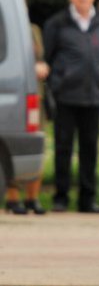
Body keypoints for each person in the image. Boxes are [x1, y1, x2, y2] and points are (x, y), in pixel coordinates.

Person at [44, 0, 99, 214]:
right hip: (66, 96)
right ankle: (60, 197)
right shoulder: (58, 23)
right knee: (63, 147)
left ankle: (87, 199)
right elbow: (48, 56)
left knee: (90, 148)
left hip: (94, 96)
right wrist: (58, 81)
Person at [6, 22, 49, 215]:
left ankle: (33, 198)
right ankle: (12, 198)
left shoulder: (34, 29)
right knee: (11, 143)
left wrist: (42, 67)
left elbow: (40, 56)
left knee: (36, 144)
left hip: (33, 95)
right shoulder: (4, 25)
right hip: (11, 91)